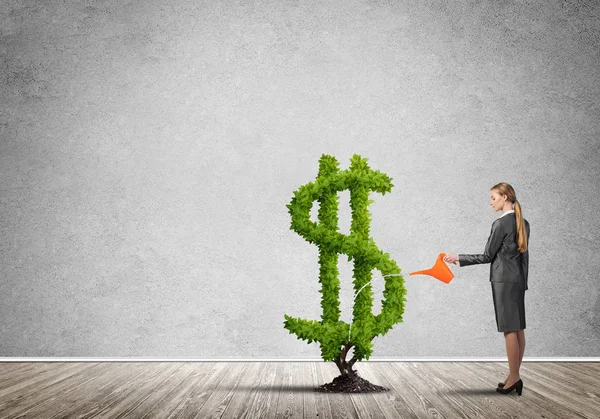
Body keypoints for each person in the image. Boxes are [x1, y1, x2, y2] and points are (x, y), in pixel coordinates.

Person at [443, 182, 530, 396]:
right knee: (518, 328)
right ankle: (513, 376)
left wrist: (459, 258)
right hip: (517, 281)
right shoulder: (523, 222)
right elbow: (525, 257)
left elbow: (487, 256)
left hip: (502, 280)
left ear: (505, 198)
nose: (491, 202)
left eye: (493, 197)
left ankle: (515, 377)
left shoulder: (500, 224)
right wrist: (524, 283)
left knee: (509, 329)